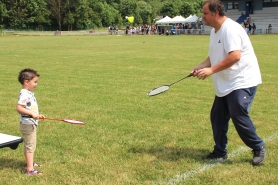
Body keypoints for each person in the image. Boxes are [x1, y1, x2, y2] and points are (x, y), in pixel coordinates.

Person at [191, 0, 266, 166]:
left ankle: (258, 146)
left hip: (242, 80)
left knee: (238, 112)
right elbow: (214, 56)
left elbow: (235, 56)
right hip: (226, 82)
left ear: (215, 13)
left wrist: (211, 71)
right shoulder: (214, 31)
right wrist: (201, 66)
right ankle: (220, 151)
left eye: (204, 13)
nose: (202, 16)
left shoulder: (230, 29)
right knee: (217, 117)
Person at [17, 68, 45, 175]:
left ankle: (29, 163)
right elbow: (19, 108)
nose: (36, 84)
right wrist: (32, 114)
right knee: (30, 146)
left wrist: (37, 115)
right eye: (35, 82)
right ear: (26, 82)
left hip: (29, 123)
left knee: (28, 145)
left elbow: (29, 108)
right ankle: (29, 170)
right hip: (28, 125)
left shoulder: (27, 92)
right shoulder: (25, 94)